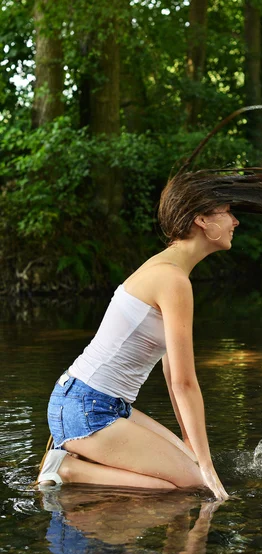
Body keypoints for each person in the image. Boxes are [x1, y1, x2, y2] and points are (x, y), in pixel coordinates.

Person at [37, 172, 240, 500]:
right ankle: (68, 469)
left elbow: (172, 372)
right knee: (194, 484)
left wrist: (193, 446)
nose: (235, 221)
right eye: (227, 211)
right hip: (86, 406)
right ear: (202, 219)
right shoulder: (173, 280)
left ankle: (80, 459)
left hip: (93, 402)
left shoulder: (167, 270)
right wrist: (206, 468)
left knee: (192, 468)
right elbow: (185, 384)